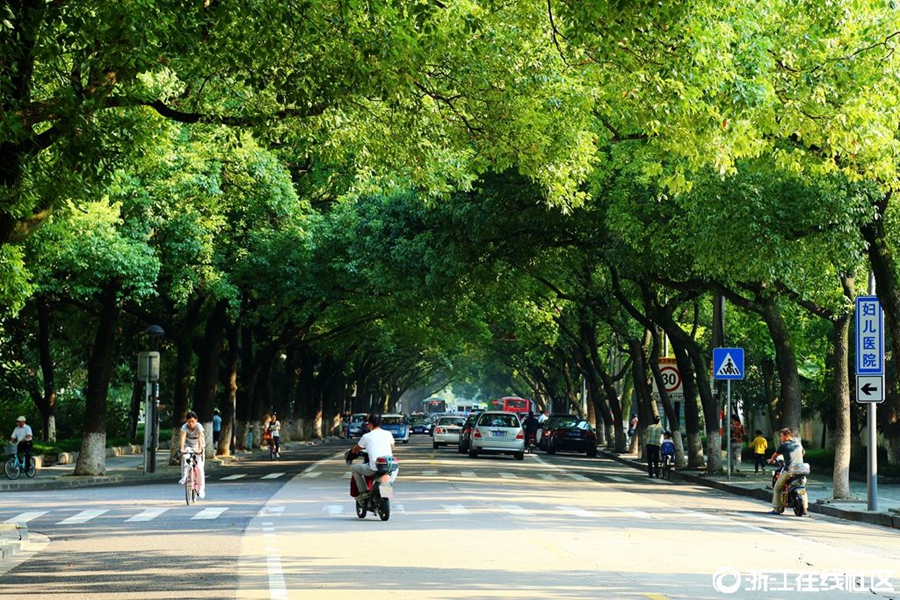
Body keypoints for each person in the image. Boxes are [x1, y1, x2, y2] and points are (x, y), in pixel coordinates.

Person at [349, 414, 395, 500]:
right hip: (390, 466)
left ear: (370, 424)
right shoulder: (388, 434)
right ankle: (386, 492)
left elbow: (355, 449)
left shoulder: (366, 436)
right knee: (390, 476)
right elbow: (392, 447)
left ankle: (363, 492)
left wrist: (351, 452)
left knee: (353, 468)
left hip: (374, 467)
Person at [768, 427, 807, 515]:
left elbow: (775, 455)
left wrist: (771, 460)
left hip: (790, 471)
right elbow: (803, 453)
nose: (780, 438)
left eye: (781, 436)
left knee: (777, 488)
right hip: (801, 470)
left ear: (787, 436)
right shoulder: (798, 444)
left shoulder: (784, 445)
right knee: (803, 488)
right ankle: (805, 509)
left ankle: (776, 509)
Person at [179, 411, 206, 499]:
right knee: (185, 457)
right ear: (186, 421)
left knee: (199, 468)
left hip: (198, 446)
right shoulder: (184, 427)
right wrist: (182, 448)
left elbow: (200, 438)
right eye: (189, 421)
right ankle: (184, 476)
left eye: (193, 421)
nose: (191, 423)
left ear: (196, 420)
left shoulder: (199, 426)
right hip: (189, 446)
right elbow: (182, 438)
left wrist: (200, 449)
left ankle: (201, 488)